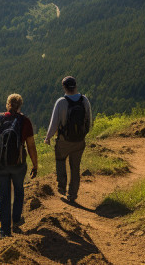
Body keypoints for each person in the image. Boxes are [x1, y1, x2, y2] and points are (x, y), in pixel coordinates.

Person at [0, 93, 38, 238]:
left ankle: (4, 232)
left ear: (7, 104)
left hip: (1, 165)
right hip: (19, 164)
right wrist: (35, 165)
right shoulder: (25, 121)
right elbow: (31, 146)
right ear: (20, 106)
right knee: (19, 190)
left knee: (4, 196)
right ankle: (17, 220)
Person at [44, 76, 93, 205]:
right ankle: (73, 194)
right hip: (79, 141)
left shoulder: (61, 102)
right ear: (76, 85)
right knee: (75, 168)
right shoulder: (84, 100)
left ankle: (62, 186)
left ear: (64, 87)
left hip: (64, 141)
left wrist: (48, 137)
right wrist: (83, 134)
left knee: (60, 161)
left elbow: (54, 123)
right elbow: (89, 121)